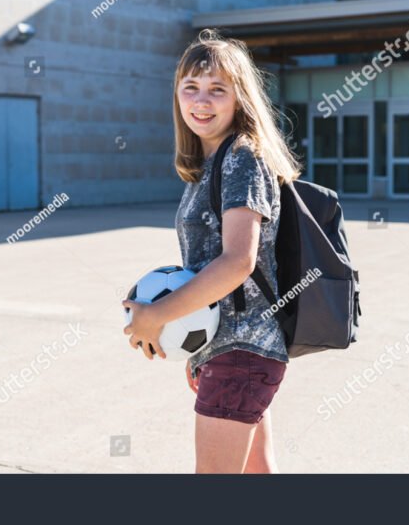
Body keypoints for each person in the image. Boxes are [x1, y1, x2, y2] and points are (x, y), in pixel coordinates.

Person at [122, 28, 301, 473]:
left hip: (242, 350)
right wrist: (200, 347)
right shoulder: (213, 163)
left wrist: (158, 315)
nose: (201, 101)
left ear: (239, 98)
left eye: (217, 89)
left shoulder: (242, 157)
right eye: (191, 87)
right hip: (234, 349)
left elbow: (238, 261)